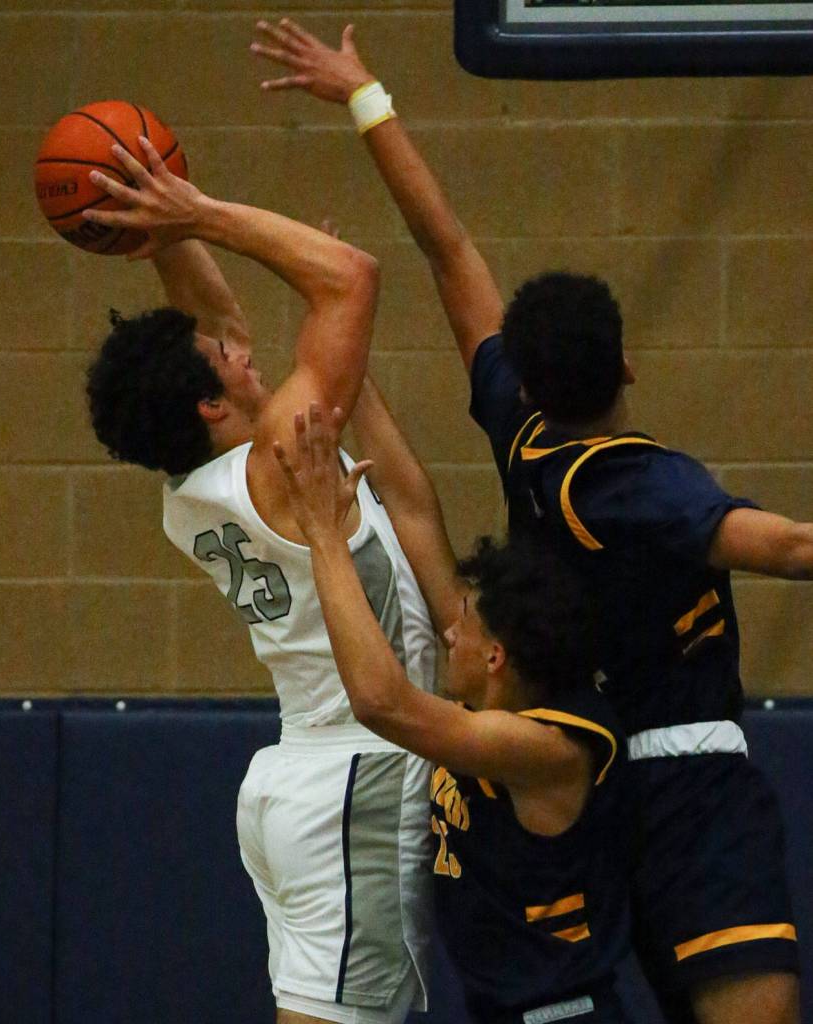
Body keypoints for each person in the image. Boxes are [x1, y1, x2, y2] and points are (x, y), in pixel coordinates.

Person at [253, 20, 813, 1024]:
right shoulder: (638, 486)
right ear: (628, 366)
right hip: (685, 772)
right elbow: (795, 547)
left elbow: (449, 247)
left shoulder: (522, 430)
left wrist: (365, 96)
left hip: (583, 777)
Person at [83, 138, 437, 1024]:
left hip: (298, 778)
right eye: (224, 355)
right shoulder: (280, 456)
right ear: (211, 404)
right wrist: (200, 215)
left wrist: (163, 224)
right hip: (357, 775)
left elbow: (216, 323)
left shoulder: (195, 490)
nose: (243, 350)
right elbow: (351, 278)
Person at [274, 395, 633, 1024]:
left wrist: (323, 535)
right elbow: (411, 508)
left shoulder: (551, 747)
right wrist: (349, 382)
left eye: (461, 623)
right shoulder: (499, 685)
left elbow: (382, 703)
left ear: (495, 656)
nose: (447, 630)